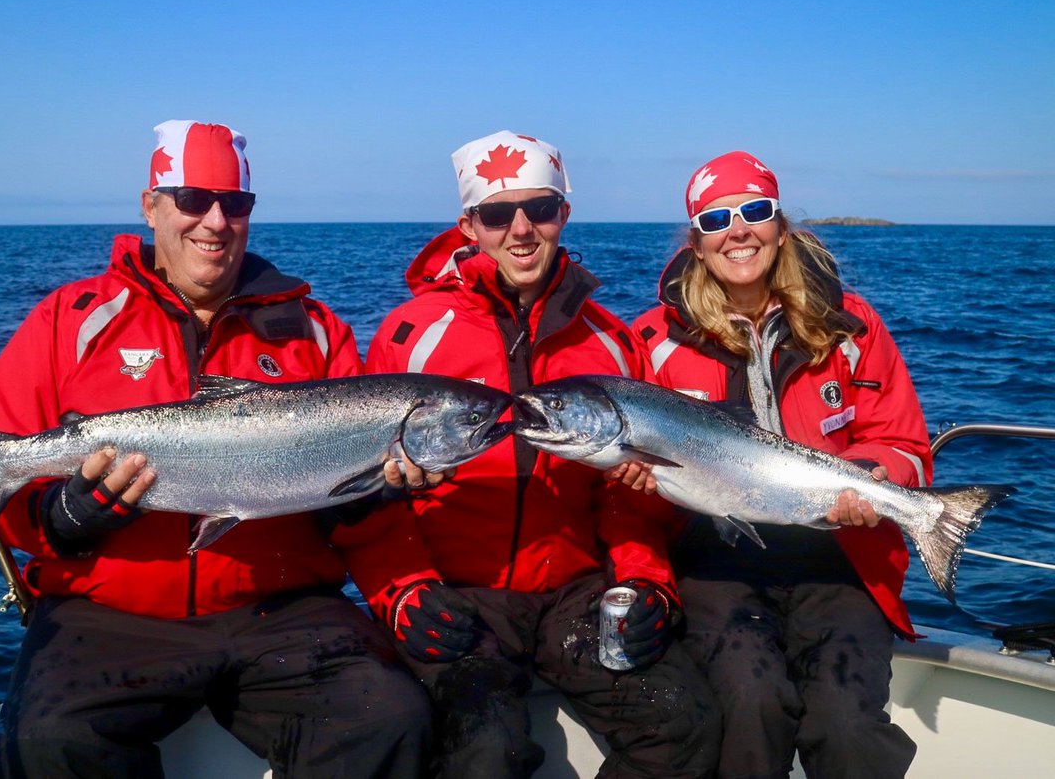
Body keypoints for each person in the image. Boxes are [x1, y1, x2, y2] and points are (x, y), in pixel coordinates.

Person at [0, 120, 432, 778]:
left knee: (388, 717)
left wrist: (371, 510)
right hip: (109, 614)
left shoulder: (316, 331)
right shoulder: (70, 321)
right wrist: (59, 521)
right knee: (49, 741)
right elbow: (3, 464)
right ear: (150, 205)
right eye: (192, 199)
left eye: (235, 203)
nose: (215, 221)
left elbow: (358, 509)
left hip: (283, 609)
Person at [346, 131, 721, 778]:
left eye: (540, 209)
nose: (520, 229)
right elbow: (364, 494)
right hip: (457, 593)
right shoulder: (410, 335)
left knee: (682, 722)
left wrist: (645, 581)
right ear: (469, 225)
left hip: (576, 591)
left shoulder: (611, 342)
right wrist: (401, 590)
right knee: (482, 751)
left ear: (563, 215)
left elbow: (630, 495)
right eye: (497, 214)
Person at [629, 151, 930, 779]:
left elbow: (902, 443)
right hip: (717, 559)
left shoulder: (853, 323)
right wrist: (635, 481)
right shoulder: (651, 341)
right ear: (697, 240)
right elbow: (642, 484)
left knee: (848, 726)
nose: (738, 230)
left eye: (755, 211)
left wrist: (874, 479)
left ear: (781, 226)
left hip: (840, 554)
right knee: (749, 703)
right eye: (716, 218)